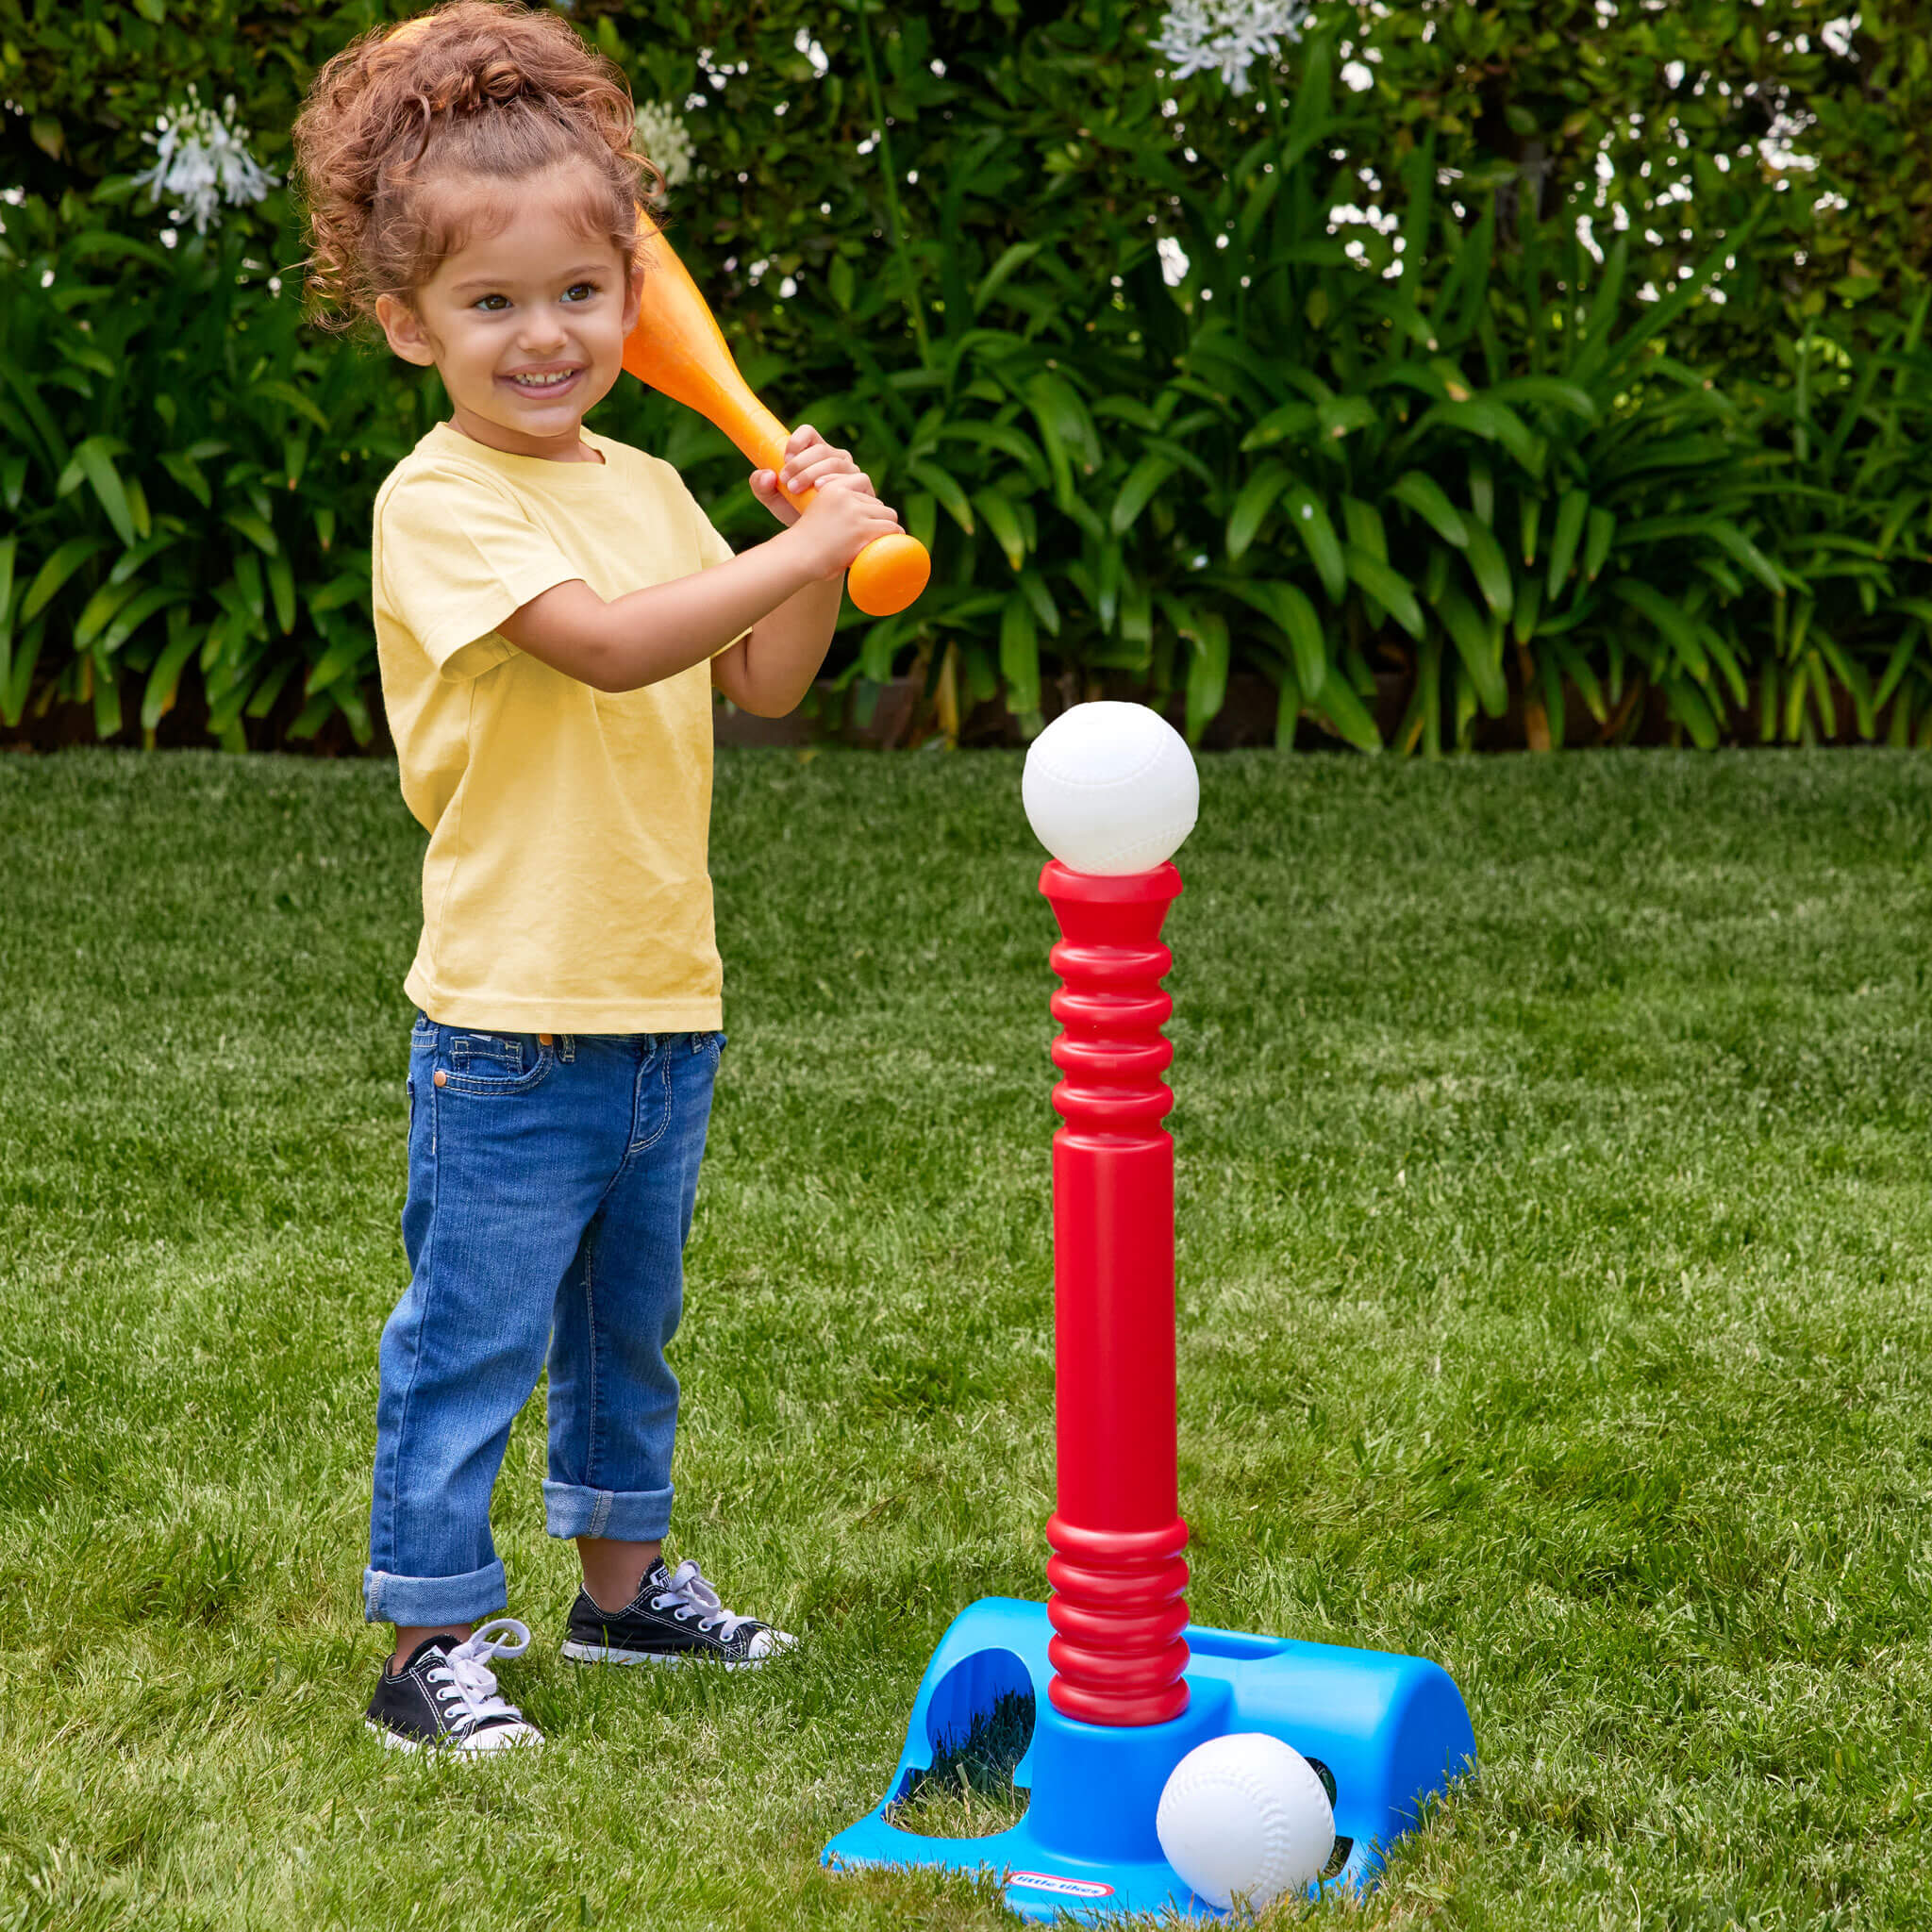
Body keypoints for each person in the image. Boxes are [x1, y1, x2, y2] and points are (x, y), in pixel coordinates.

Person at [291, 0, 901, 1755]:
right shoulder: (442, 502)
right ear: (410, 325)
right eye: (491, 304)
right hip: (512, 1015)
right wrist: (800, 542)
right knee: (472, 1341)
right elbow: (616, 646)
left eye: (580, 291)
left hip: (659, 994)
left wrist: (805, 549)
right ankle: (427, 1640)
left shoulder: (644, 481)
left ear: (634, 297)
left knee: (629, 1332)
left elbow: (761, 678)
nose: (544, 334)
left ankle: (623, 1597)